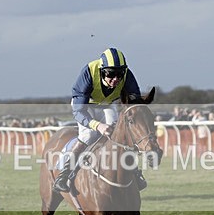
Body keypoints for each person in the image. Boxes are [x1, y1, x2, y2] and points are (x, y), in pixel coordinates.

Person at [53, 47, 147, 192]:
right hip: (85, 107)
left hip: (106, 105)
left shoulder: (127, 75)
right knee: (88, 135)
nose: (115, 79)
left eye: (119, 74)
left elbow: (134, 101)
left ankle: (134, 171)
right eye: (110, 74)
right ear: (102, 71)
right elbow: (78, 112)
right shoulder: (88, 73)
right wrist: (98, 126)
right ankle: (63, 175)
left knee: (118, 136)